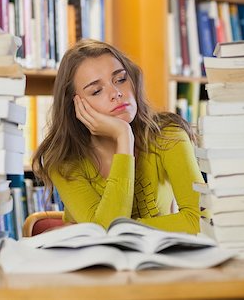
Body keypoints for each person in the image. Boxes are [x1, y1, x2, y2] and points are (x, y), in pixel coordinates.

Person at [32, 39, 204, 234]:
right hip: (96, 264)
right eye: (96, 91)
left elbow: (200, 220)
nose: (116, 93)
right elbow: (105, 235)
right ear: (75, 107)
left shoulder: (168, 135)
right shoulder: (64, 163)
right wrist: (124, 137)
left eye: (121, 79)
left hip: (156, 261)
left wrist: (123, 229)